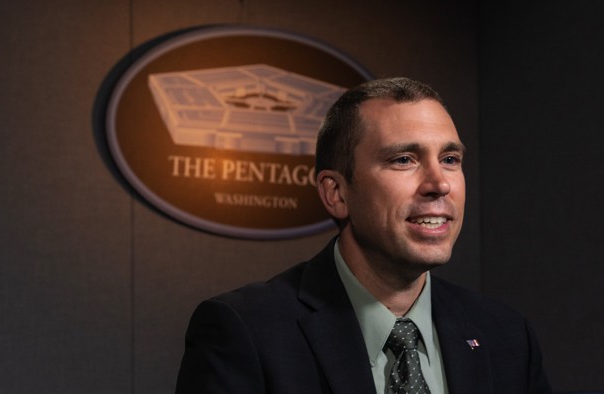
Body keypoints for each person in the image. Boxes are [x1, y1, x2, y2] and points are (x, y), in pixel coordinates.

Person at [175, 77, 551, 394]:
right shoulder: (246, 331)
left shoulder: (506, 335)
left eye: (450, 159)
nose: (439, 184)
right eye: (404, 159)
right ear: (336, 194)